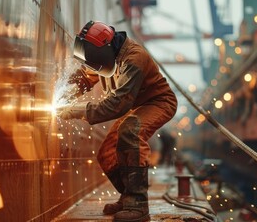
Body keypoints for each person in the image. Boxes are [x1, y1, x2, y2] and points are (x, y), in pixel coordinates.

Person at [58, 20, 177, 222]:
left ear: (103, 50)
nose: (94, 67)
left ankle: (138, 205)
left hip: (158, 102)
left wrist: (75, 111)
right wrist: (62, 95)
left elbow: (117, 105)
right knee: (107, 154)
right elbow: (85, 79)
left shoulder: (134, 58)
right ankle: (128, 197)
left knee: (130, 131)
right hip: (135, 104)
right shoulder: (105, 56)